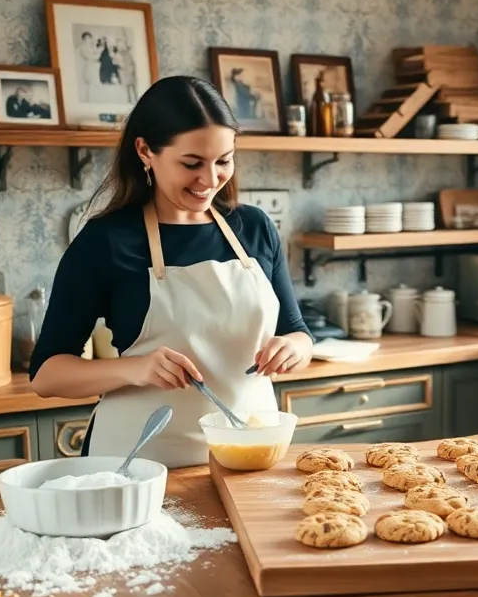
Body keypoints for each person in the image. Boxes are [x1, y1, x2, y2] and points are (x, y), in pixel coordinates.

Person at [29, 75, 313, 468]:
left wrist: (295, 348)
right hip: (140, 463)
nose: (210, 180)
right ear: (146, 151)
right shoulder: (106, 240)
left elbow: (297, 331)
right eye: (192, 163)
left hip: (247, 457)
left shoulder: (255, 228)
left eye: (223, 161)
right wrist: (138, 368)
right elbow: (46, 375)